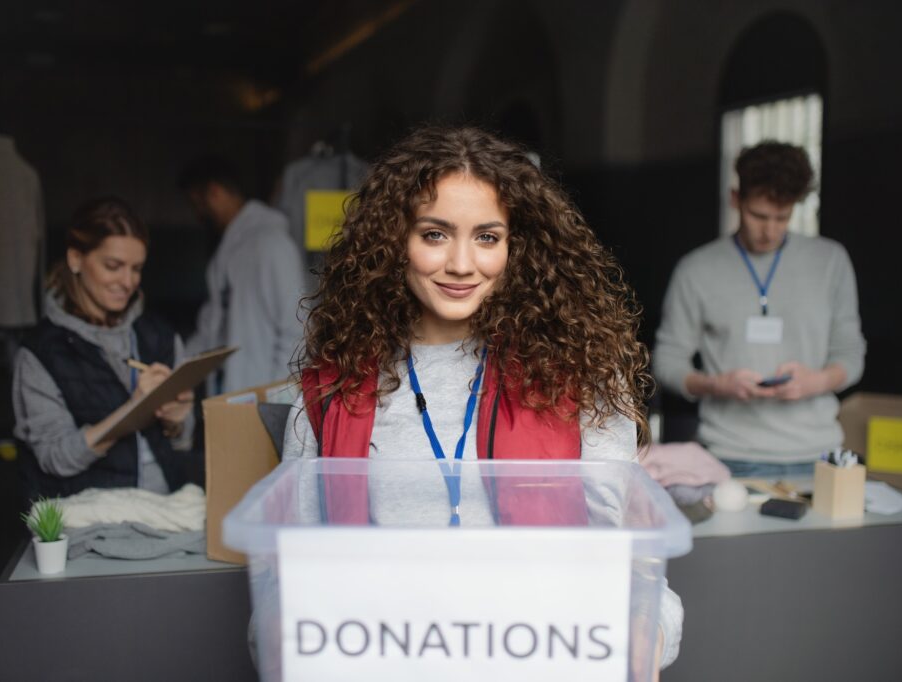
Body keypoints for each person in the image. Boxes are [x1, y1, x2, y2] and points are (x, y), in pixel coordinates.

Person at [281, 125, 682, 672]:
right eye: (435, 234)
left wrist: (647, 637)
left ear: (519, 247)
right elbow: (291, 584)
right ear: (393, 239)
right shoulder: (332, 389)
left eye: (488, 237)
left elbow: (630, 563)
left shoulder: (579, 377)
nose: (463, 265)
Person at [653, 141, 866, 478]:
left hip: (817, 455)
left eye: (782, 217)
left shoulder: (831, 261)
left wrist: (817, 381)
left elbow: (851, 355)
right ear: (736, 199)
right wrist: (716, 385)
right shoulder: (696, 269)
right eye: (759, 215)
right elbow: (666, 360)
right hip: (727, 454)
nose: (770, 230)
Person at [12, 197, 196, 498]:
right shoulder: (40, 353)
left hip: (166, 508)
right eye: (113, 266)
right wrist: (132, 412)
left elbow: (181, 444)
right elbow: (54, 459)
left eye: (136, 269)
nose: (127, 281)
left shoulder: (158, 335)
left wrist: (178, 422)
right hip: (90, 515)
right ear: (75, 258)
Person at [178, 156, 305, 393]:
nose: (197, 215)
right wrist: (175, 368)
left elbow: (296, 329)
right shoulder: (230, 249)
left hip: (263, 395)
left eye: (197, 204)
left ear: (214, 192)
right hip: (230, 389)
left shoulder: (272, 243)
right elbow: (212, 326)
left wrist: (276, 396)